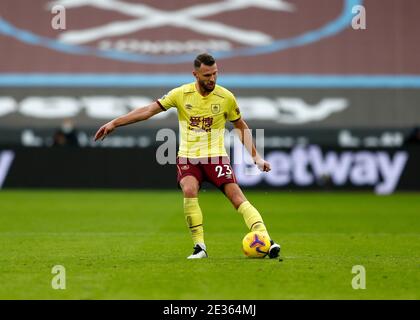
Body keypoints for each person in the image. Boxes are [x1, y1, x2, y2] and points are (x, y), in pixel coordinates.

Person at [94, 53, 280, 260]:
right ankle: (199, 247)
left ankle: (266, 240)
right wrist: (114, 123)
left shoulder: (226, 97)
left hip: (215, 157)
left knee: (237, 197)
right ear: (195, 74)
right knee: (189, 189)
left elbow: (240, 126)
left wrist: (256, 157)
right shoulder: (181, 94)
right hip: (188, 158)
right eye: (207, 75)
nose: (212, 79)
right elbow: (148, 110)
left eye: (215, 73)